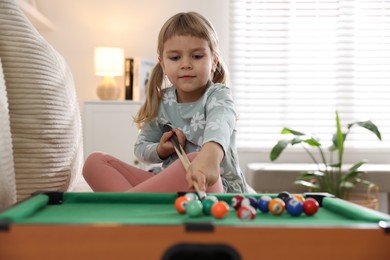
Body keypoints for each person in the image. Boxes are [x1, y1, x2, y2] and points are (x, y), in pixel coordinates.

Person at [83, 11, 249, 194]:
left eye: (197, 56)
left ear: (214, 61)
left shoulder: (218, 95)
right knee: (94, 162)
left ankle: (128, 206)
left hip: (214, 187)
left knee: (194, 160)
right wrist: (161, 149)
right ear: (162, 63)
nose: (186, 64)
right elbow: (141, 148)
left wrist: (209, 158)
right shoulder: (163, 101)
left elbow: (220, 127)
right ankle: (139, 207)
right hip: (172, 186)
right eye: (175, 58)